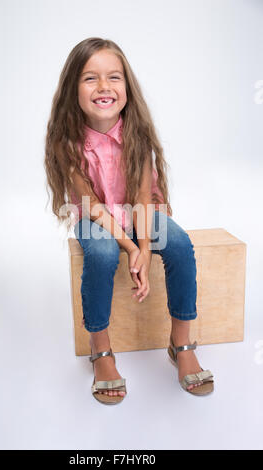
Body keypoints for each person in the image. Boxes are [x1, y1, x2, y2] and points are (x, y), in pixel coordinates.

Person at [44, 37, 214, 405]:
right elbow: (91, 205)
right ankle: (101, 349)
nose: (104, 87)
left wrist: (145, 250)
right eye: (90, 78)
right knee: (103, 254)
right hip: (95, 214)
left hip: (140, 211)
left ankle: (181, 341)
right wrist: (128, 246)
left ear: (127, 86)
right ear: (73, 88)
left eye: (114, 77)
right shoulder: (65, 142)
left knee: (181, 244)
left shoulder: (136, 135)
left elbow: (141, 201)